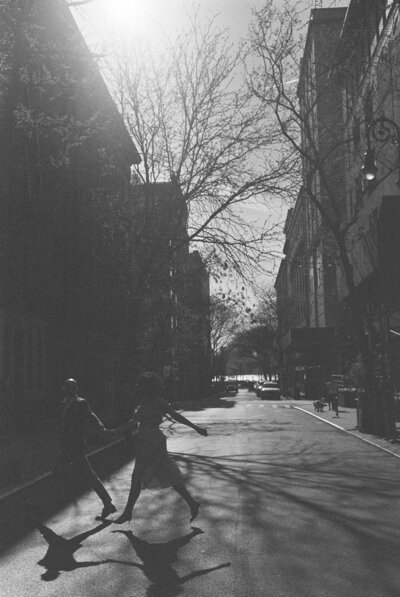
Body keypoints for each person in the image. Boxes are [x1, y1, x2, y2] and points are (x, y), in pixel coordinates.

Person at [114, 371, 208, 525]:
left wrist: (196, 427)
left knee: (142, 476)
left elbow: (176, 416)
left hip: (153, 441)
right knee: (164, 475)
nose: (139, 387)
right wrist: (115, 431)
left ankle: (127, 513)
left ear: (148, 387)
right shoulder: (144, 401)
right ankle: (192, 503)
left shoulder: (159, 401)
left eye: (141, 385)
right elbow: (133, 422)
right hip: (145, 440)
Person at [53, 378, 117, 520]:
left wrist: (101, 428)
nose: (70, 389)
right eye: (67, 387)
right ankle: (107, 502)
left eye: (72, 387)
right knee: (61, 473)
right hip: (66, 444)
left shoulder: (81, 403)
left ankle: (107, 502)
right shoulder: (63, 403)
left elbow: (91, 416)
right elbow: (61, 421)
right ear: (65, 388)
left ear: (76, 389)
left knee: (86, 474)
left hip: (75, 444)